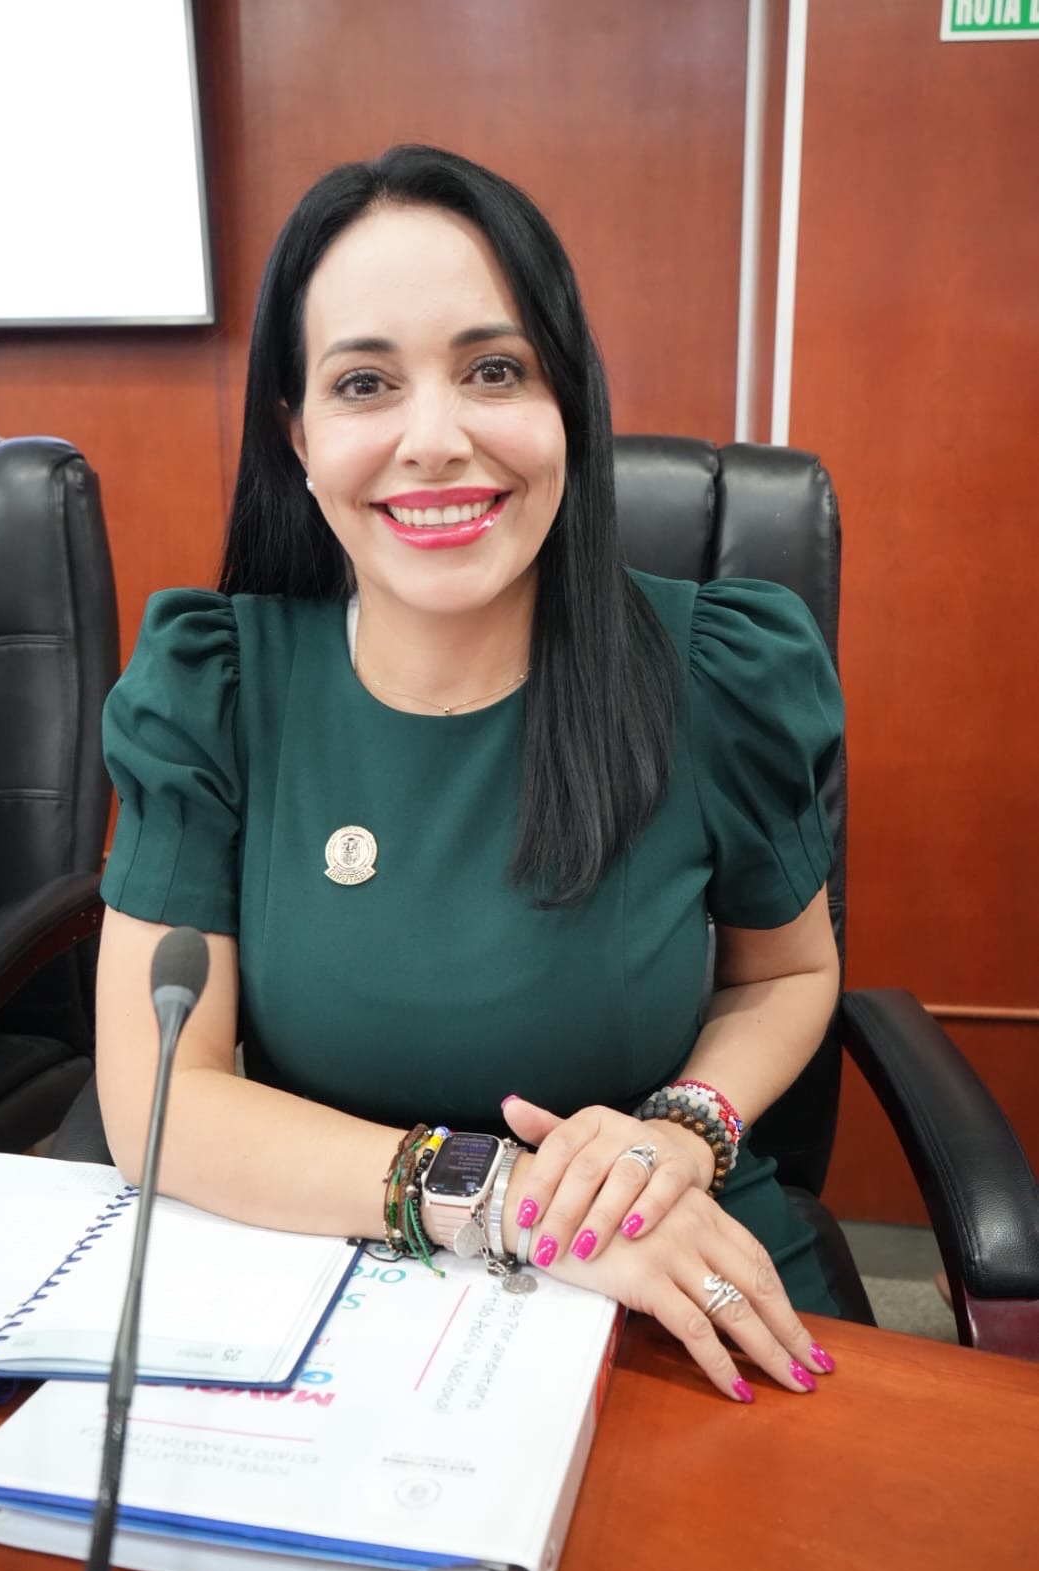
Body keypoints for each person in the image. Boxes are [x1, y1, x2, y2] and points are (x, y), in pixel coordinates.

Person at [96, 144, 843, 1405]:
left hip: (668, 1266)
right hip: (319, 1284)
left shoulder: (715, 673)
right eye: (364, 383)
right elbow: (159, 1097)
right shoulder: (212, 689)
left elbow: (788, 971)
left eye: (494, 369)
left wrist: (683, 1127)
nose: (435, 440)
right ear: (297, 436)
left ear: (569, 406)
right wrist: (502, 1197)